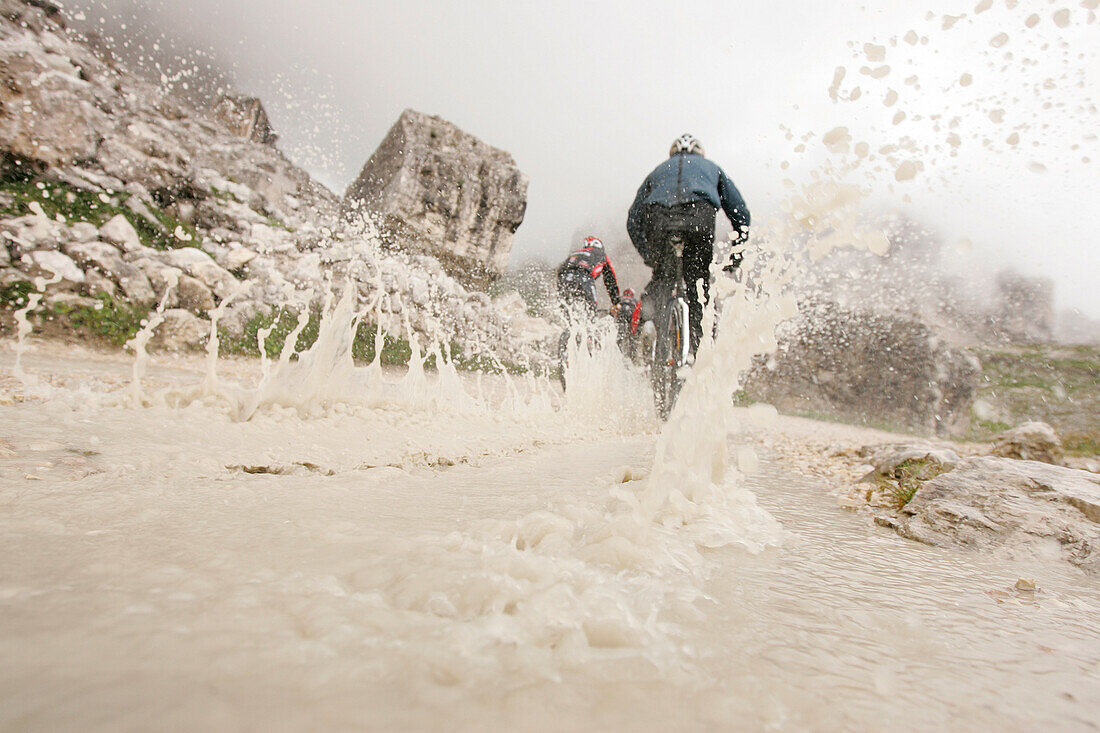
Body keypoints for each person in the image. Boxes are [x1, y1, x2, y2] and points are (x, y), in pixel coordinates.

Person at [626, 134, 750, 353]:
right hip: (699, 218)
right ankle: (698, 352)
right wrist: (736, 255)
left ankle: (649, 332)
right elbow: (741, 214)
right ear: (700, 153)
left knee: (662, 281)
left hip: (659, 219)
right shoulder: (713, 168)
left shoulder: (658, 170)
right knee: (698, 286)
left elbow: (633, 218)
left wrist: (649, 255)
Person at [555, 235, 621, 317]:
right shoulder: (601, 254)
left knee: (566, 310)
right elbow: (610, 280)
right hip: (584, 278)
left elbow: (560, 270)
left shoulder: (575, 253)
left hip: (565, 279)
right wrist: (616, 302)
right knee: (591, 312)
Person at [615, 287, 642, 360]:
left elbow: (613, 309)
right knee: (633, 338)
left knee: (619, 337)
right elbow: (639, 312)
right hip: (631, 319)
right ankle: (633, 356)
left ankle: (618, 353)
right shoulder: (635, 300)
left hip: (620, 318)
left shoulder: (620, 299)